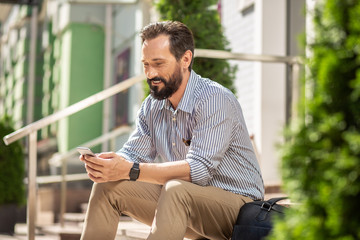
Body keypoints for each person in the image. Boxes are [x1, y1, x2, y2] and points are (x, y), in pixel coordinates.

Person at [80, 21, 264, 240]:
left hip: (240, 209)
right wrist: (109, 164)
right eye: (146, 64)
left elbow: (199, 170)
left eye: (158, 63)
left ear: (185, 59)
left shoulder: (214, 99)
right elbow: (133, 154)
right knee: (108, 187)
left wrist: (131, 170)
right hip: (185, 204)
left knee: (176, 189)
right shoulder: (152, 106)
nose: (150, 73)